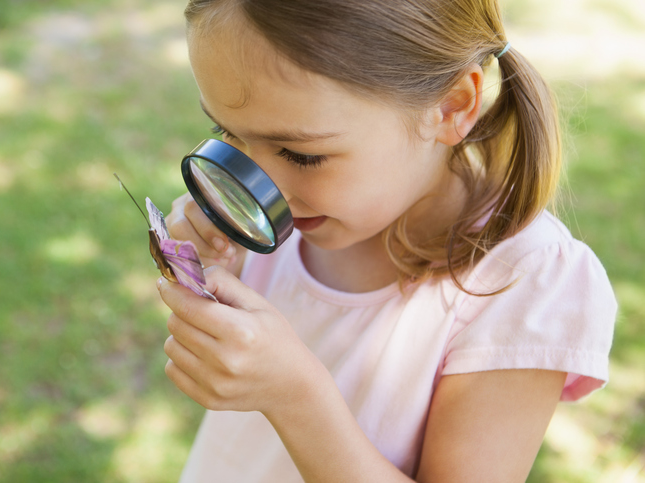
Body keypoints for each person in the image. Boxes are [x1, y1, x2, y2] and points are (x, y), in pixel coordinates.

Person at [157, 1, 618, 481]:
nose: (259, 188)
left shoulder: (524, 283)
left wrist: (294, 396)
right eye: (227, 132)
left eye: (301, 154)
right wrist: (218, 272)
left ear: (451, 107)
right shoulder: (296, 220)